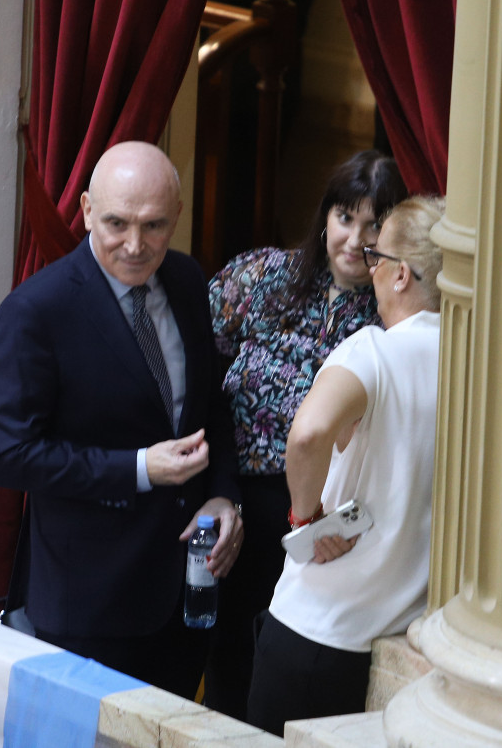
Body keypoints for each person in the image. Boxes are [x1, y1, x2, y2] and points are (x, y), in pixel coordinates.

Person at [0, 141, 243, 700]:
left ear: (175, 217)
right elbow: (8, 455)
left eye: (154, 226)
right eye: (117, 223)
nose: (135, 245)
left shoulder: (188, 280)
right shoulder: (35, 312)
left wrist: (222, 495)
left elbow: (212, 404)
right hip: (87, 608)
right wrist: (140, 468)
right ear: (84, 210)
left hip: (186, 599)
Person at [203, 150, 408, 717]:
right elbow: (200, 364)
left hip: (325, 520)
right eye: (346, 217)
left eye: (374, 225)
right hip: (239, 503)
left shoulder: (393, 314)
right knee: (226, 660)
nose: (355, 239)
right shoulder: (263, 275)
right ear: (325, 217)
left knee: (285, 673)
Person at [244, 196, 446, 735]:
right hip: (400, 646)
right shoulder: (471, 365)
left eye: (376, 258)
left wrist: (305, 519)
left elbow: (308, 433)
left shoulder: (373, 351)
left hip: (318, 628)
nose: (370, 269)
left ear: (401, 274)